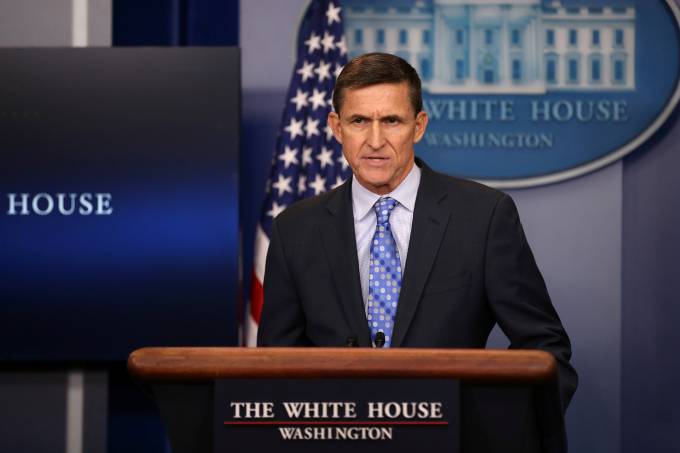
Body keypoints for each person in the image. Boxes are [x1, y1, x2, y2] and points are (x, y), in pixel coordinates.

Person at [258, 52, 577, 412]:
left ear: (419, 126)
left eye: (391, 121)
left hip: (452, 433)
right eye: (359, 120)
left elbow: (545, 349)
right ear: (336, 127)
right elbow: (275, 365)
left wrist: (494, 430)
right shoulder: (295, 230)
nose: (375, 140)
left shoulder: (482, 217)